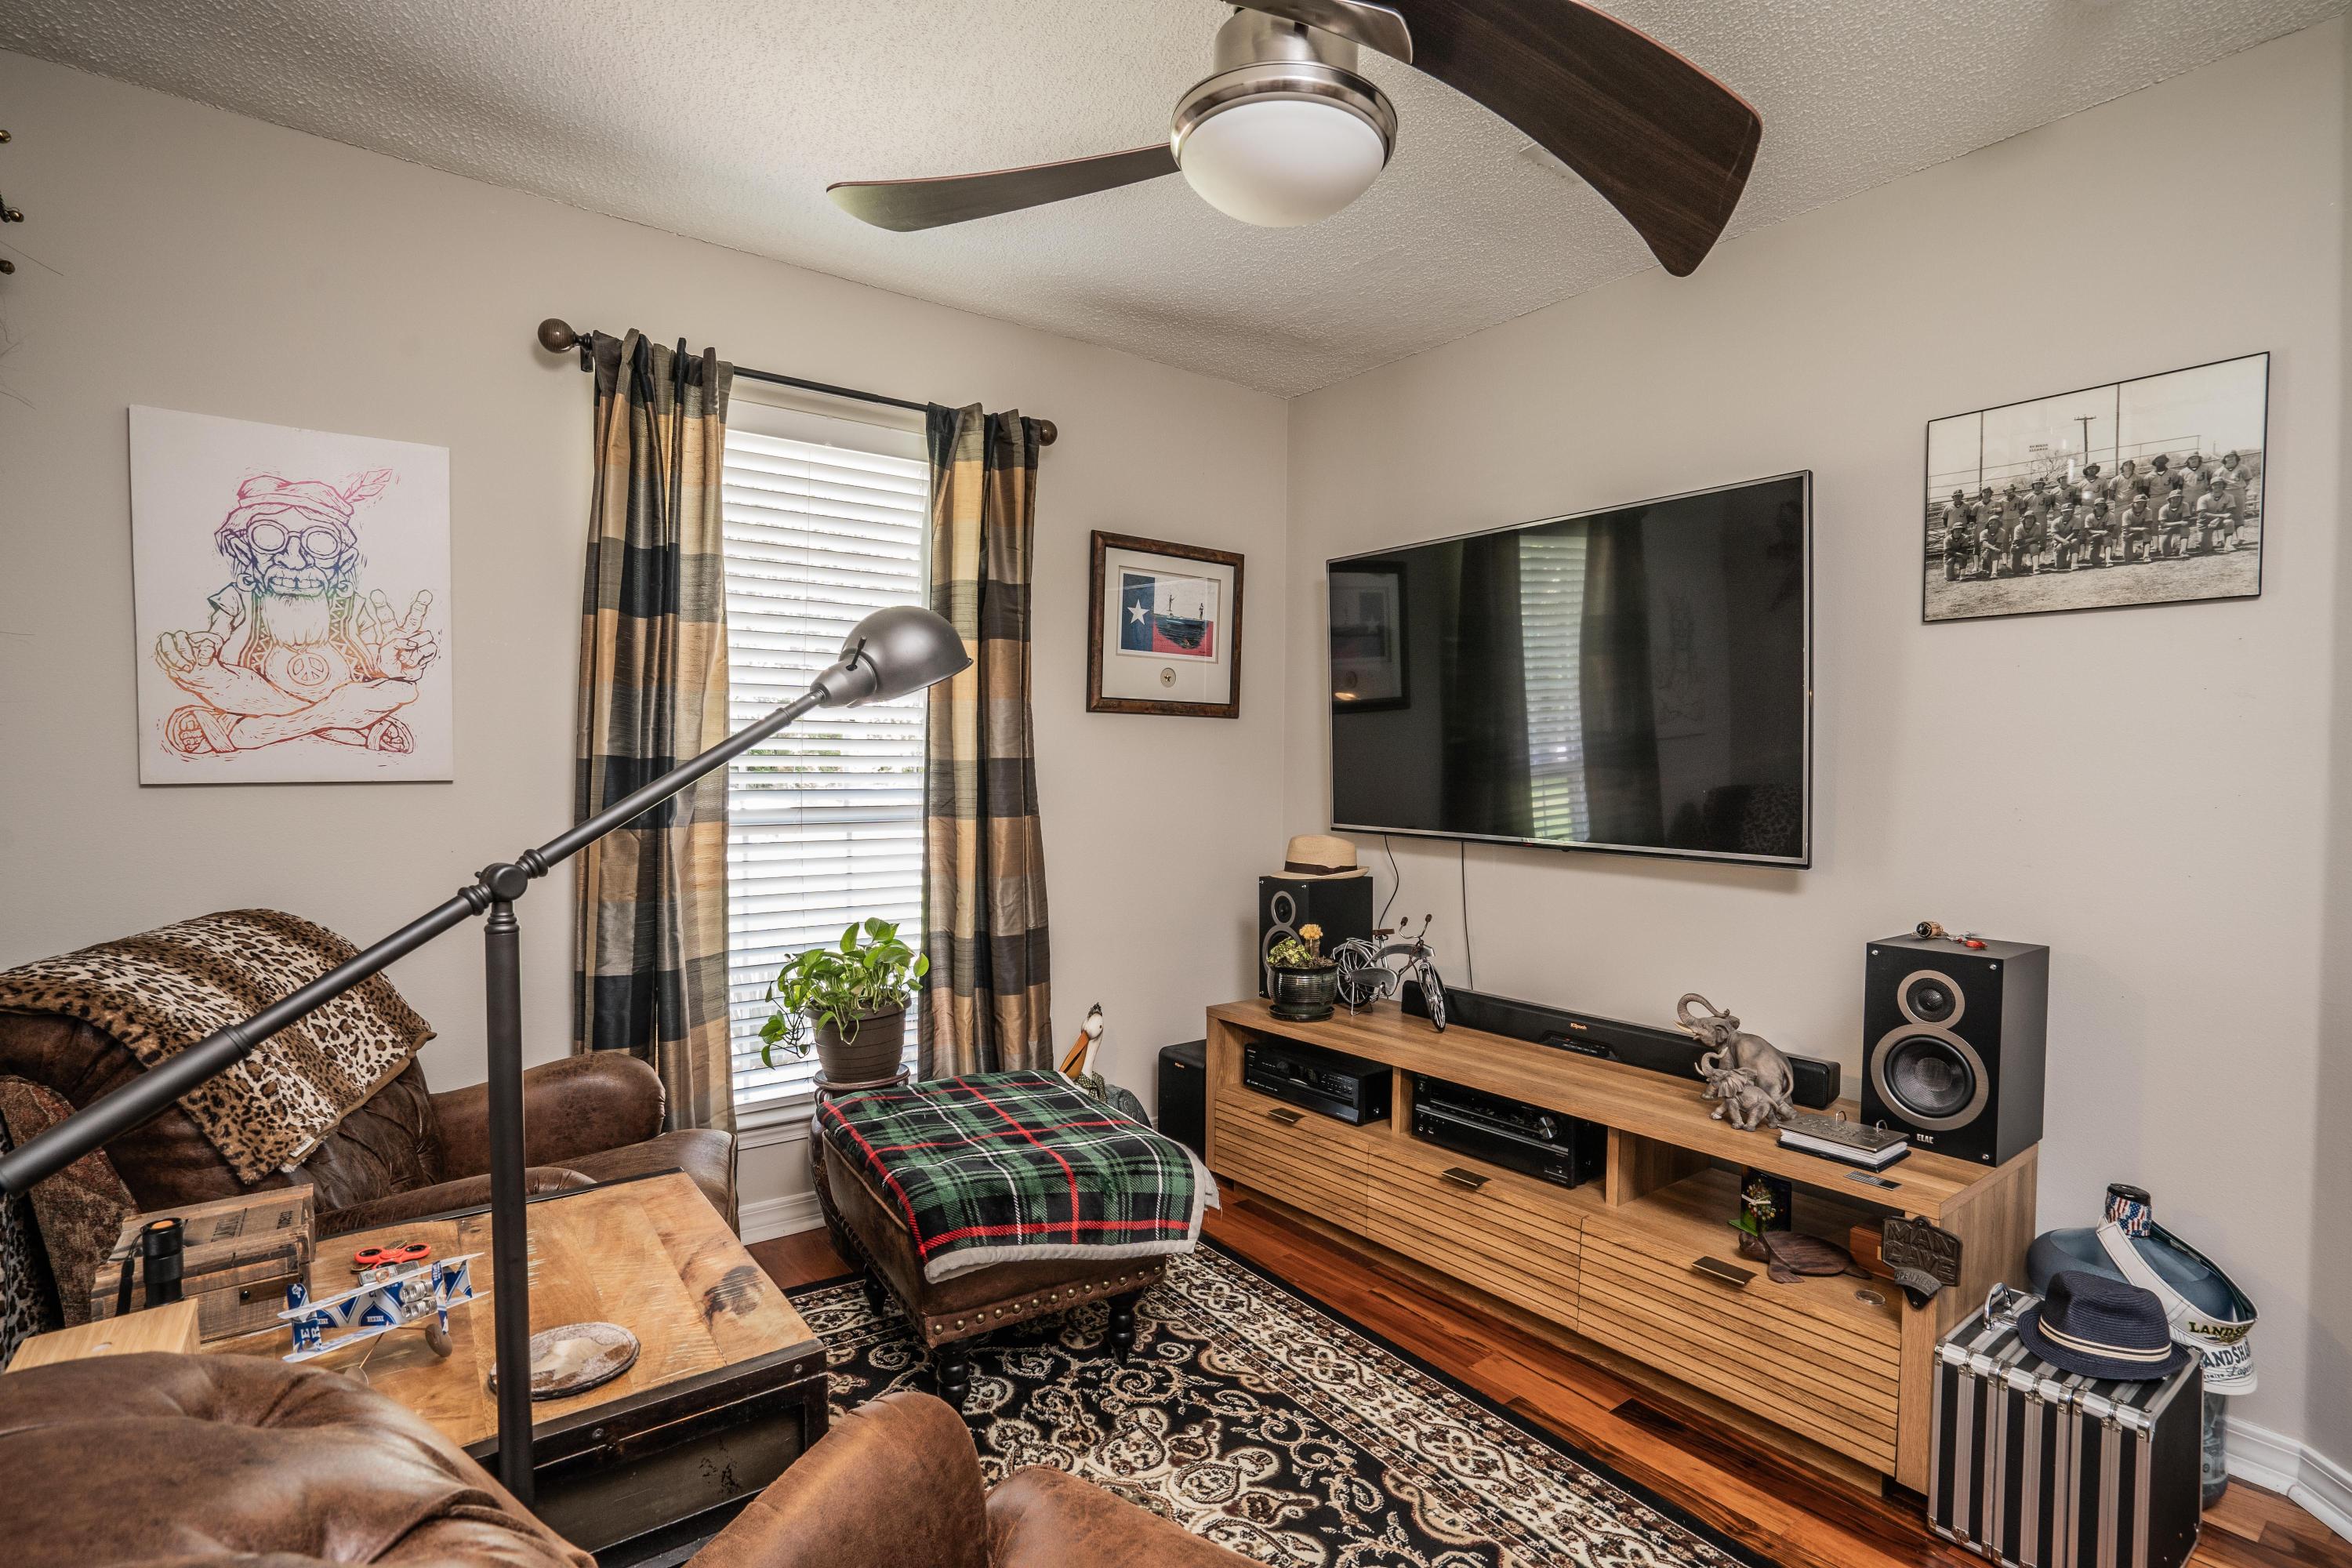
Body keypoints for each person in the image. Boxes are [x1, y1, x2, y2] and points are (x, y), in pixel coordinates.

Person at [2157, 477, 2190, 557]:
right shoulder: (2164, 508)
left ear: (2181, 498)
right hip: (2166, 530)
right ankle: (2175, 544)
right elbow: (2163, 525)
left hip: (2174, 527)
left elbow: (2185, 522)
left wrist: (2173, 525)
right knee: (2166, 554)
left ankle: (2183, 551)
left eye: (2178, 497)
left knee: (2185, 528)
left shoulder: (2185, 505)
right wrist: (2179, 523)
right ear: (2169, 500)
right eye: (2173, 498)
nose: (2176, 499)